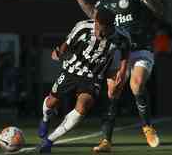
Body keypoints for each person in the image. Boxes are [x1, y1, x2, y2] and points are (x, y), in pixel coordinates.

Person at [73, 0, 164, 152]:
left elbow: (158, 11)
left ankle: (148, 128)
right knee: (113, 93)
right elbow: (94, 17)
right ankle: (106, 141)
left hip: (140, 49)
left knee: (136, 84)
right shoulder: (103, 2)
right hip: (117, 52)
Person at [36, 8, 131, 153]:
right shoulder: (83, 27)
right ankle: (45, 118)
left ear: (111, 26)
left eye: (102, 30)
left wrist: (122, 71)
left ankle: (49, 141)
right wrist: (59, 53)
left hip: (93, 77)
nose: (98, 32)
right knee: (51, 102)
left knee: (82, 109)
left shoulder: (122, 36)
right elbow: (66, 44)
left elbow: (125, 53)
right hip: (71, 70)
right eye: (97, 27)